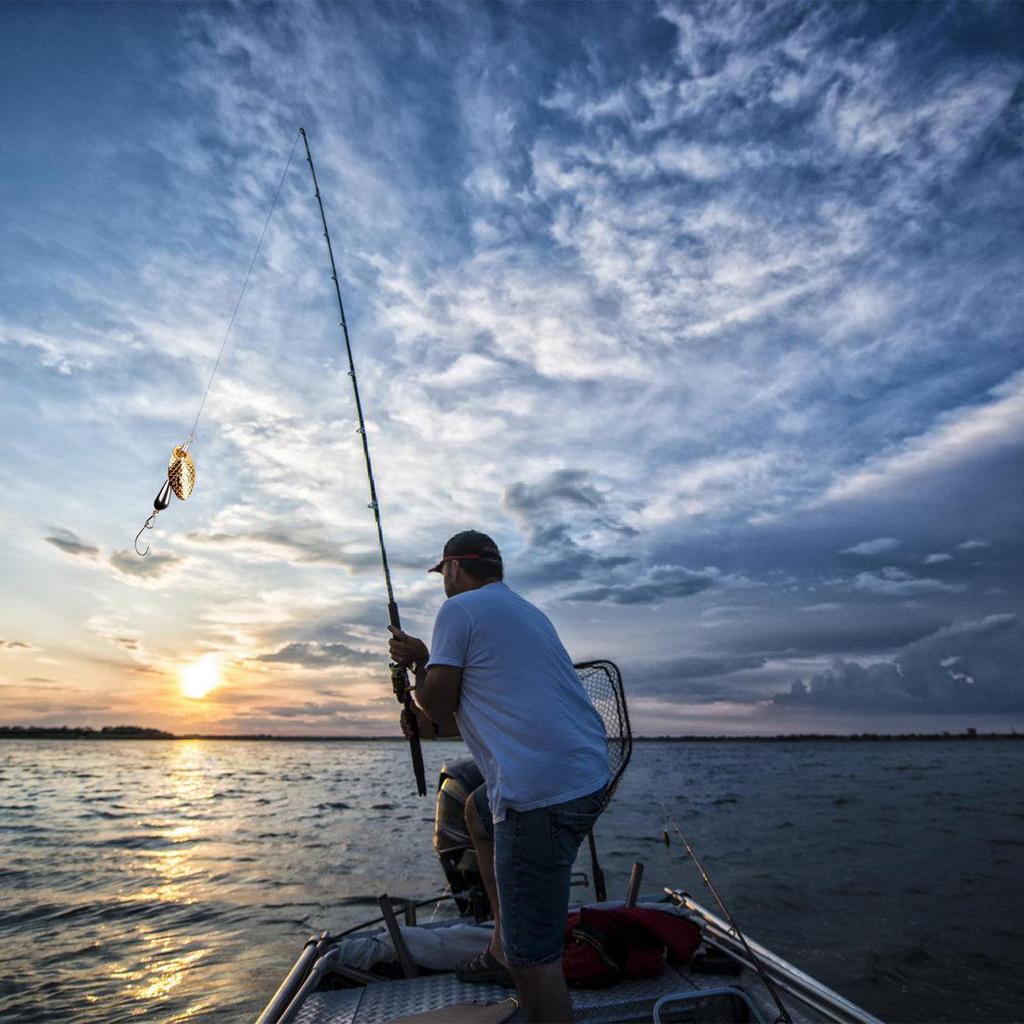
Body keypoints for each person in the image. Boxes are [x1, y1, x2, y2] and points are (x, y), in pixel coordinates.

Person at [388, 530, 609, 1024]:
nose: (443, 582)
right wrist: (424, 710)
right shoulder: (525, 612)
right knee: (478, 810)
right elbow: (451, 718)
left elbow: (438, 703)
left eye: (443, 572)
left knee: (539, 965)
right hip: (586, 774)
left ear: (454, 569)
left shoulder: (459, 610)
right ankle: (502, 945)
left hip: (540, 792)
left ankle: (523, 960)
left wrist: (420, 661)